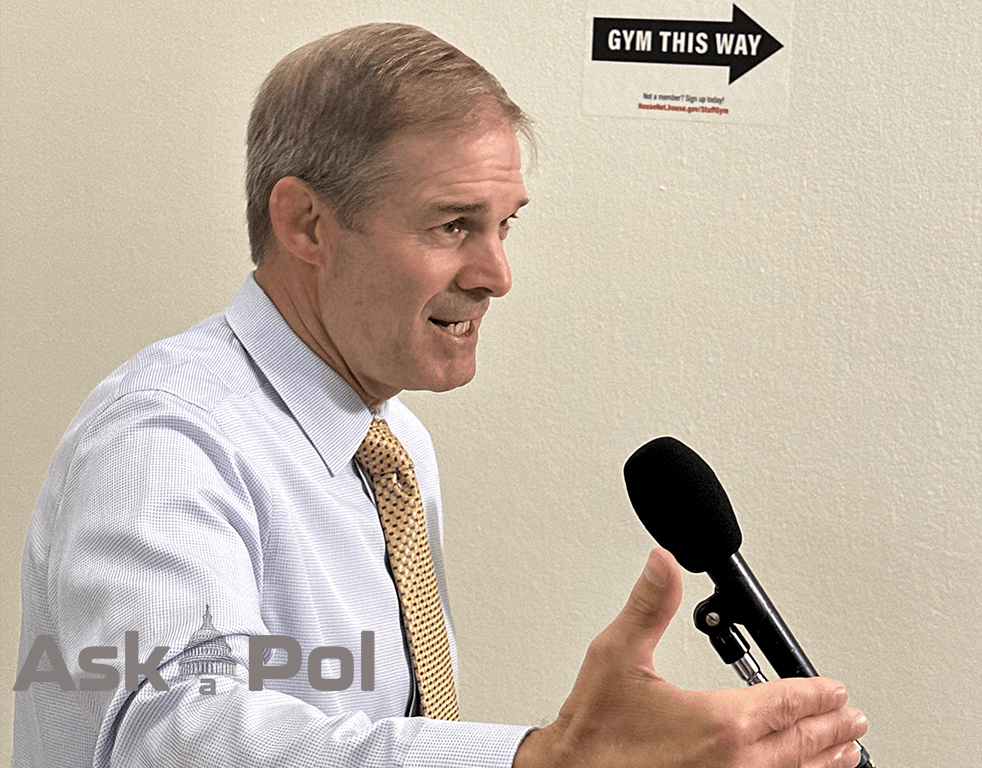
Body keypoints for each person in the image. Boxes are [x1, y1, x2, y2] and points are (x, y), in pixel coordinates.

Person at [13, 22, 868, 768]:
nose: (497, 274)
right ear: (306, 223)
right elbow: (171, 742)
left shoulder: (392, 443)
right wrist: (542, 760)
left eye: (505, 224)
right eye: (452, 225)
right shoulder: (164, 437)